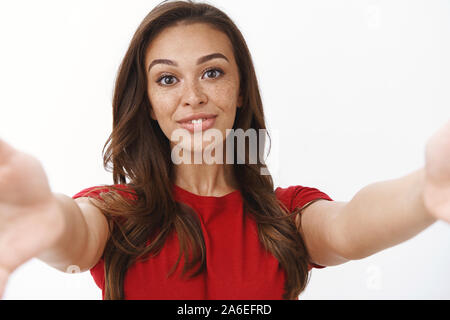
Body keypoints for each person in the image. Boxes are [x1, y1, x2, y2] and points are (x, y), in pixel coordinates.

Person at [0, 0, 448, 300]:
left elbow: (351, 226)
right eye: (168, 79)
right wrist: (47, 218)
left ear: (239, 91)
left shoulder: (285, 215)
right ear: (150, 106)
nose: (192, 96)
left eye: (212, 73)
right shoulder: (117, 213)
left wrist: (425, 190)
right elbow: (74, 239)